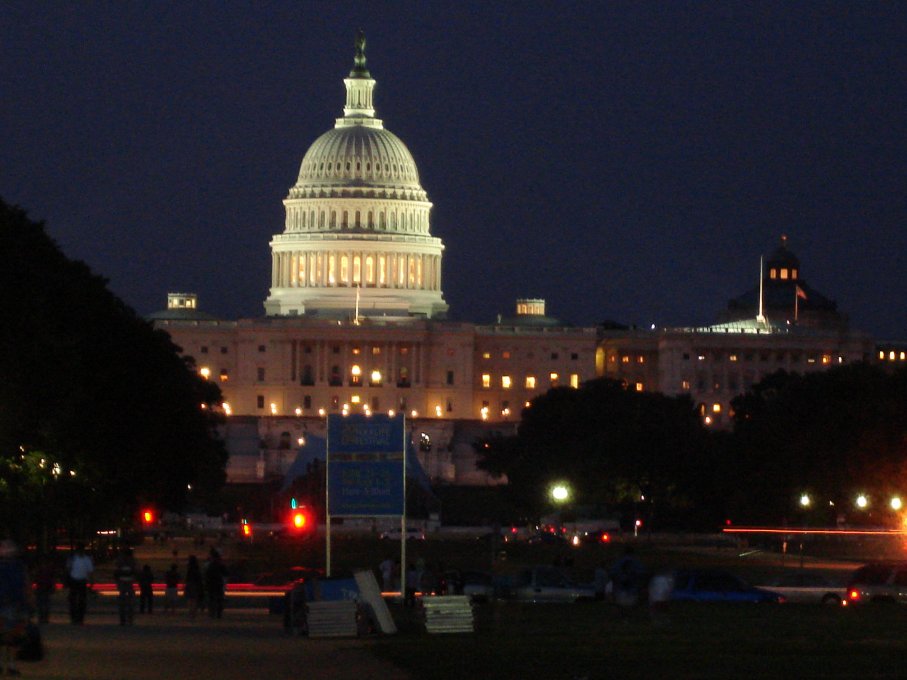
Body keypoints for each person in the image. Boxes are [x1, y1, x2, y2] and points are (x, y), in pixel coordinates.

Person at [0, 540, 29, 676]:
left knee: (12, 636)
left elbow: (25, 584)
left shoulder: (18, 566)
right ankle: (9, 664)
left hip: (13, 604)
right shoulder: (18, 566)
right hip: (10, 604)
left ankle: (9, 664)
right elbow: (25, 584)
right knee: (10, 636)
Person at [609, 547, 645, 621]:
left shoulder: (618, 562)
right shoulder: (636, 563)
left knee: (621, 606)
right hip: (633, 590)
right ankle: (629, 618)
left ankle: (623, 618)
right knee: (630, 607)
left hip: (620, 589)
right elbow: (642, 574)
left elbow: (612, 574)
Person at [66, 542, 94, 624]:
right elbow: (68, 569)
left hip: (82, 581)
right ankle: (74, 618)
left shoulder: (86, 559)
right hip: (74, 580)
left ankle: (79, 618)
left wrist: (91, 582)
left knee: (81, 601)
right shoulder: (74, 558)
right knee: (73, 601)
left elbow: (90, 572)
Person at [113, 547, 137, 625]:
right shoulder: (132, 561)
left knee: (122, 602)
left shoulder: (120, 561)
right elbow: (136, 572)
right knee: (130, 602)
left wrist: (117, 581)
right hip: (128, 583)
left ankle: (123, 619)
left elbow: (116, 572)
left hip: (122, 583)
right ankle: (129, 619)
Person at [204, 549, 227, 619]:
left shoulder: (210, 565)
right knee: (219, 599)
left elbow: (206, 575)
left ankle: (212, 613)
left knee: (211, 599)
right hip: (219, 584)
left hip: (211, 584)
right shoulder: (220, 565)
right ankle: (218, 613)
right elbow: (226, 573)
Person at [32, 557, 56, 625]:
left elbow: (34, 577)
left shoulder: (39, 569)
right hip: (44, 586)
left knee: (42, 603)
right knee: (45, 603)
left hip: (42, 586)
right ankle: (44, 618)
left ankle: (43, 618)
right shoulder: (48, 568)